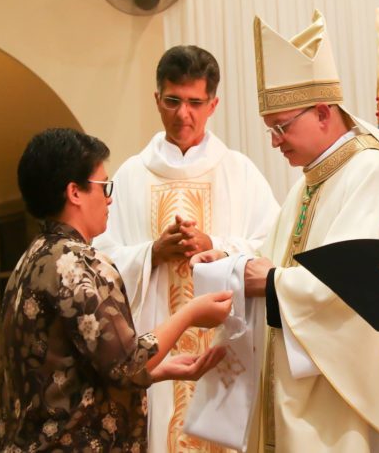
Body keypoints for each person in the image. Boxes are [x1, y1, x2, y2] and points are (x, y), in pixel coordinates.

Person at [194, 11, 379, 452]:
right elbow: (275, 255)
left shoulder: (371, 173)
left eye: (281, 127)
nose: (276, 141)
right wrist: (230, 262)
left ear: (322, 113)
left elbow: (356, 283)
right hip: (308, 388)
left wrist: (275, 284)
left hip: (351, 404)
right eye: (270, 131)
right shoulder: (309, 181)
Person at [0, 128, 232, 452]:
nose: (109, 198)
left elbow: (76, 366)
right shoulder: (77, 264)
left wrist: (158, 372)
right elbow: (128, 365)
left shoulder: (31, 259)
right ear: (74, 192)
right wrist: (191, 311)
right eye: (103, 186)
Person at [93, 45, 279, 452]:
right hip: (155, 355)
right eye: (173, 101)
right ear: (157, 99)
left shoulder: (240, 172)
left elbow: (274, 249)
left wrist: (217, 246)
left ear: (213, 104)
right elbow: (99, 264)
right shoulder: (130, 176)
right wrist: (152, 253)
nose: (183, 114)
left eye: (195, 103)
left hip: (227, 352)